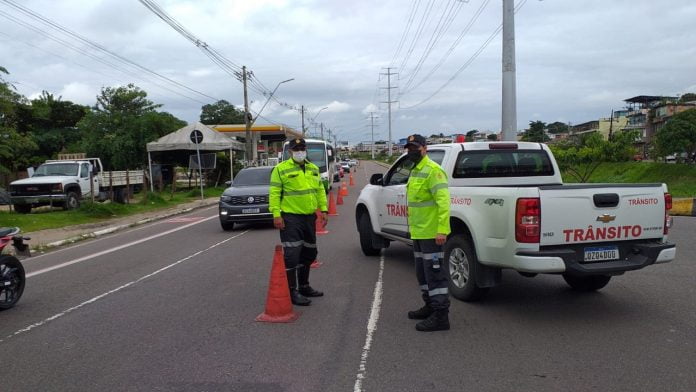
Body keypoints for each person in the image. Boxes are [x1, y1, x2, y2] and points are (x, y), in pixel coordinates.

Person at [269, 138, 328, 306]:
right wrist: (276, 214)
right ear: (290, 152)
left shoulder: (313, 168)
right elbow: (274, 193)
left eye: (302, 148)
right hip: (290, 217)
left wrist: (323, 210)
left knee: (309, 253)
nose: (300, 151)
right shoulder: (281, 169)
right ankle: (291, 290)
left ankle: (304, 285)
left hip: (309, 217)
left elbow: (320, 190)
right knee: (292, 255)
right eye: (296, 149)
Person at [404, 134, 452, 332]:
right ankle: (430, 306)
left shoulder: (434, 171)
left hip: (432, 234)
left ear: (425, 148)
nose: (411, 151)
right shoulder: (415, 170)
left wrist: (442, 230)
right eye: (409, 148)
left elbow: (444, 202)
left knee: (435, 274)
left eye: (415, 147)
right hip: (418, 233)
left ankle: (441, 316)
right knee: (422, 273)